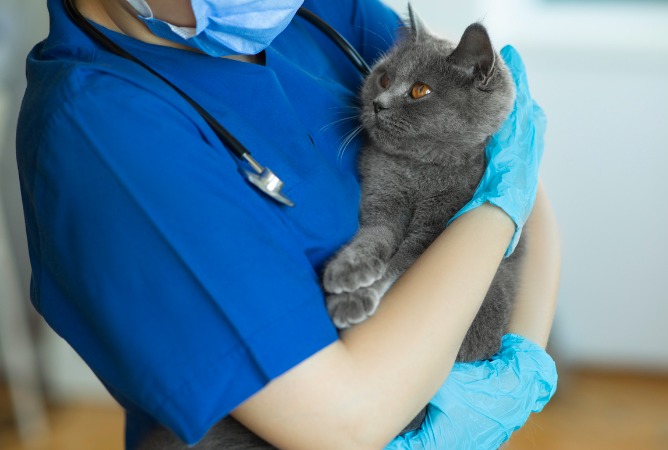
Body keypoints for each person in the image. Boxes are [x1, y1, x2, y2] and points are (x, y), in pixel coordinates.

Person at [15, 0, 560, 448]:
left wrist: (515, 370)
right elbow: (342, 423)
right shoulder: (103, 131)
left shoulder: (315, 12)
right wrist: (496, 211)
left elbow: (511, 157)